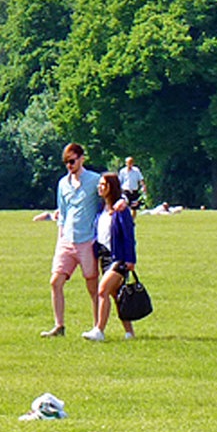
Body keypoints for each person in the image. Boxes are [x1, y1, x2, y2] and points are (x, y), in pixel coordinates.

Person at [43, 142, 103, 337]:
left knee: (92, 285)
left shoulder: (94, 180)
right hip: (66, 240)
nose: (69, 165)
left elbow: (107, 199)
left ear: (81, 159)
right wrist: (60, 239)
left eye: (72, 161)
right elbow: (62, 212)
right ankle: (59, 326)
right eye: (66, 162)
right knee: (55, 281)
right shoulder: (62, 183)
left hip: (87, 241)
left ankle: (97, 327)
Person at [84, 172, 138, 341]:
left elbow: (129, 236)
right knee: (116, 295)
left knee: (103, 290)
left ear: (111, 187)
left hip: (119, 258)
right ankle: (129, 332)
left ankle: (99, 330)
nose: (100, 187)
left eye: (104, 185)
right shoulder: (102, 209)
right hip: (105, 258)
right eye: (99, 184)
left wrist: (131, 260)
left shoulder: (121, 211)